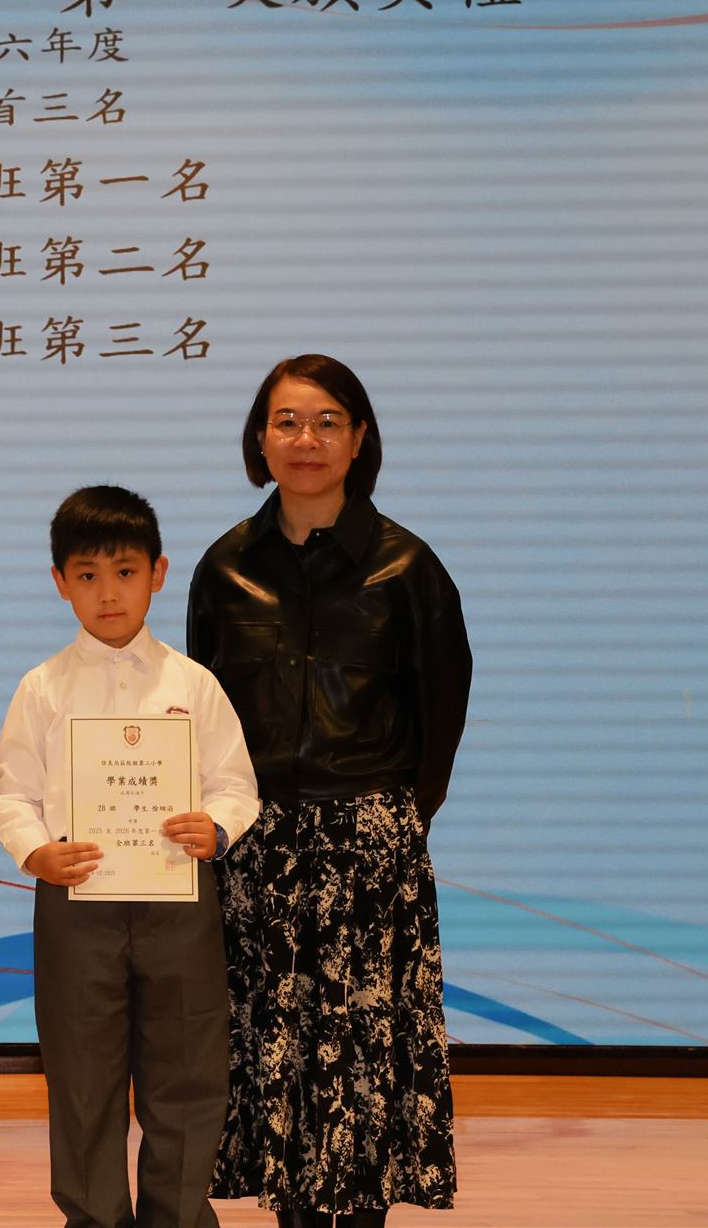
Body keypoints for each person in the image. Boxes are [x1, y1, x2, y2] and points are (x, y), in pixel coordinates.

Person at [190, 355, 471, 1228]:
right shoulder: (224, 568)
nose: (305, 439)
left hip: (368, 850)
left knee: (361, 1070)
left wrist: (392, 821)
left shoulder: (407, 566)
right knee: (280, 1065)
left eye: (326, 421)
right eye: (286, 421)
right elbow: (202, 716)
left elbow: (441, 711)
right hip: (258, 852)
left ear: (358, 439)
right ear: (259, 439)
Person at [0, 485, 261, 1228]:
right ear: (59, 582)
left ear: (159, 573)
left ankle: (178, 1216)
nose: (108, 593)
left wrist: (216, 828)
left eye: (126, 571)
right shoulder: (42, 688)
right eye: (87, 574)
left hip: (178, 902)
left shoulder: (193, 683)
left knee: (187, 1074)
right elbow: (9, 793)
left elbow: (236, 784)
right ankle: (94, 1218)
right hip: (77, 905)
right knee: (82, 1078)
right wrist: (37, 852)